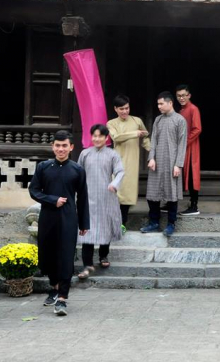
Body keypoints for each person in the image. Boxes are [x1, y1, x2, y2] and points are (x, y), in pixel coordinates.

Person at [28, 130, 89, 317]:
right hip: (47, 217)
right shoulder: (43, 167)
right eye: (57, 145)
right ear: (52, 147)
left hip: (68, 218)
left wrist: (83, 223)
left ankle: (62, 298)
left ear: (71, 147)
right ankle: (54, 287)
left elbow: (83, 198)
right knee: (47, 256)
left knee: (65, 256)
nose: (61, 149)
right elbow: (34, 191)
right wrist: (52, 200)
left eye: (64, 146)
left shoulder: (77, 170)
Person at [77, 124, 125, 279]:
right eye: (94, 136)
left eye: (100, 136)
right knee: (87, 230)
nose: (97, 139)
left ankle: (103, 256)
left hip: (106, 197)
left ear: (106, 138)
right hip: (88, 198)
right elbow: (77, 173)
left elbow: (120, 171)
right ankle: (87, 264)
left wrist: (114, 184)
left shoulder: (112, 155)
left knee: (105, 227)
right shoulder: (85, 154)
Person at [142, 91, 187, 236]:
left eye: (161, 104)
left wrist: (178, 164)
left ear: (170, 103)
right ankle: (154, 222)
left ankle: (171, 224)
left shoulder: (180, 120)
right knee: (152, 192)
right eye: (158, 104)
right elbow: (153, 139)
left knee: (171, 194)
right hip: (157, 162)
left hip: (172, 162)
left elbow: (182, 144)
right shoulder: (158, 120)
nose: (159, 106)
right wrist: (151, 158)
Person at [107, 95, 151, 232]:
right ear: (115, 109)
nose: (125, 111)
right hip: (117, 161)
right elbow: (116, 137)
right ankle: (115, 222)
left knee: (127, 193)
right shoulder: (111, 123)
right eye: (121, 109)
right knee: (117, 192)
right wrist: (135, 133)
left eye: (127, 108)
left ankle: (123, 223)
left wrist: (152, 152)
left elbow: (145, 137)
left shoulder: (137, 121)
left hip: (132, 161)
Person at [176, 84, 202, 216]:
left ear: (189, 95)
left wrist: (185, 142)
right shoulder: (181, 111)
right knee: (178, 174)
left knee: (192, 174)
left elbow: (197, 129)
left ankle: (194, 205)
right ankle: (171, 202)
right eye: (179, 96)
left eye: (184, 95)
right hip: (182, 147)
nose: (181, 98)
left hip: (191, 147)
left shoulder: (193, 109)